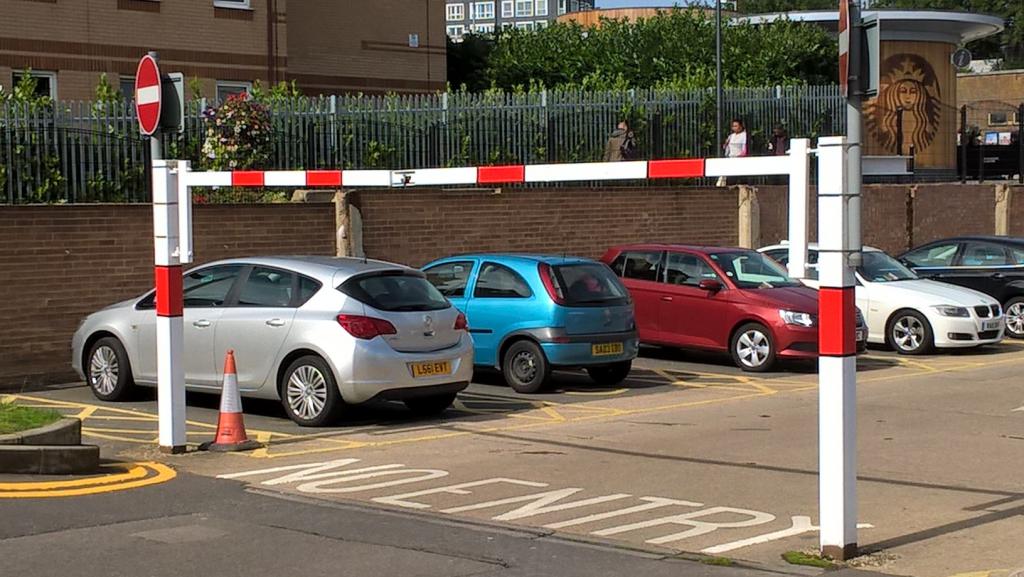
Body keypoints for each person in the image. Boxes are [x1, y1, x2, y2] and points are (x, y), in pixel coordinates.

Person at [718, 118, 748, 186]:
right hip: (731, 159)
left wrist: (741, 155)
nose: (734, 128)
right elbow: (726, 147)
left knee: (741, 179)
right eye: (733, 126)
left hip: (740, 159)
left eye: (736, 126)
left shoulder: (744, 135)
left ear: (740, 126)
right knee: (731, 180)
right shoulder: (731, 136)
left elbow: (744, 148)